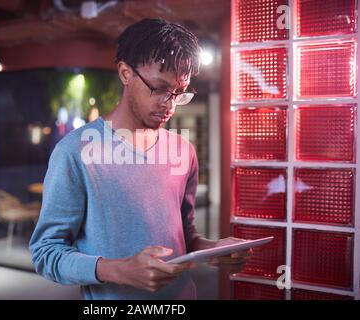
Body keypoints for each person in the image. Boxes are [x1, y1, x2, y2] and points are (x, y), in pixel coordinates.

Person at [29, 18, 251, 300]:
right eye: (158, 88)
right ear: (125, 73)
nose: (169, 104)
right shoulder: (74, 151)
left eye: (179, 93)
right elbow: (46, 253)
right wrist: (118, 270)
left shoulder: (184, 151)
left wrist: (214, 249)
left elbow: (184, 235)